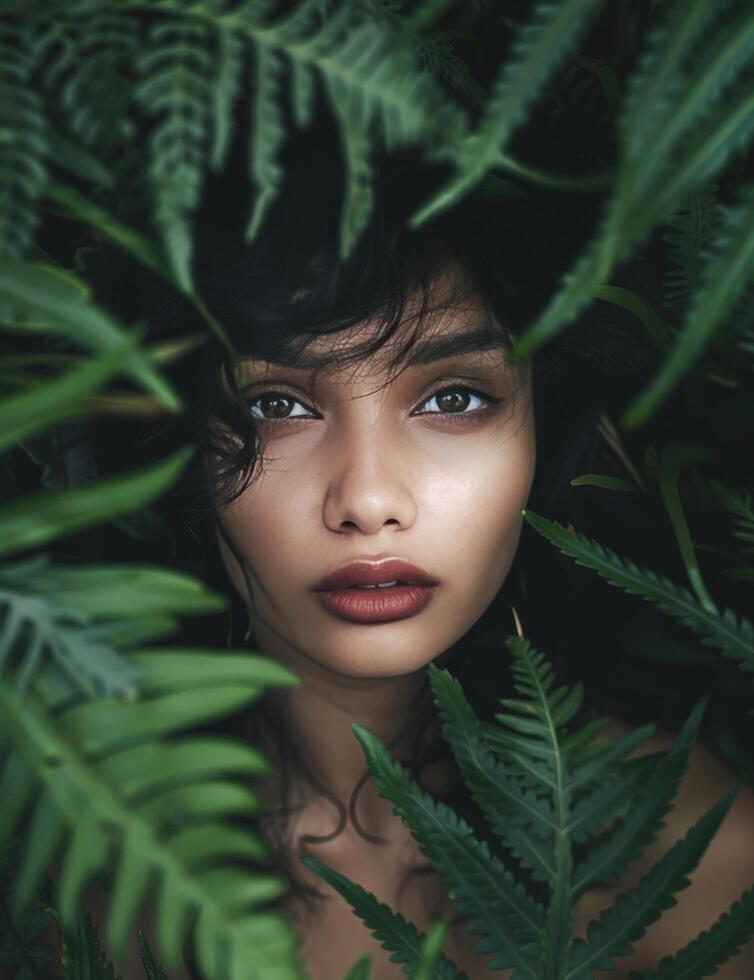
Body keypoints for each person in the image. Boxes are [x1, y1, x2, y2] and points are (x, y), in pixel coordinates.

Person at [88, 132, 754, 979]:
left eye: (453, 397)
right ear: (185, 454)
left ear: (541, 435)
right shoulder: (77, 881)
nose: (368, 500)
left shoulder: (694, 852)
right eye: (279, 406)